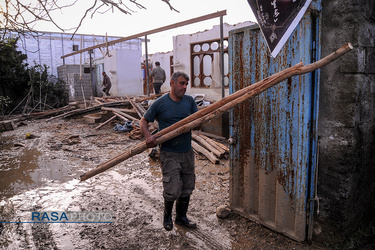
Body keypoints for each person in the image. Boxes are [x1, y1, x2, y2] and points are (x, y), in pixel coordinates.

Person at [140, 72, 198, 231]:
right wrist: (148, 136)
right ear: (172, 83)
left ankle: (181, 217)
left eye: (186, 84)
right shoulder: (160, 103)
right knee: (172, 189)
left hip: (187, 152)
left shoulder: (190, 101)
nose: (184, 87)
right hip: (169, 152)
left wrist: (197, 123)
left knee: (187, 187)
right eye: (181, 83)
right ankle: (167, 216)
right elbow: (144, 120)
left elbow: (198, 121)